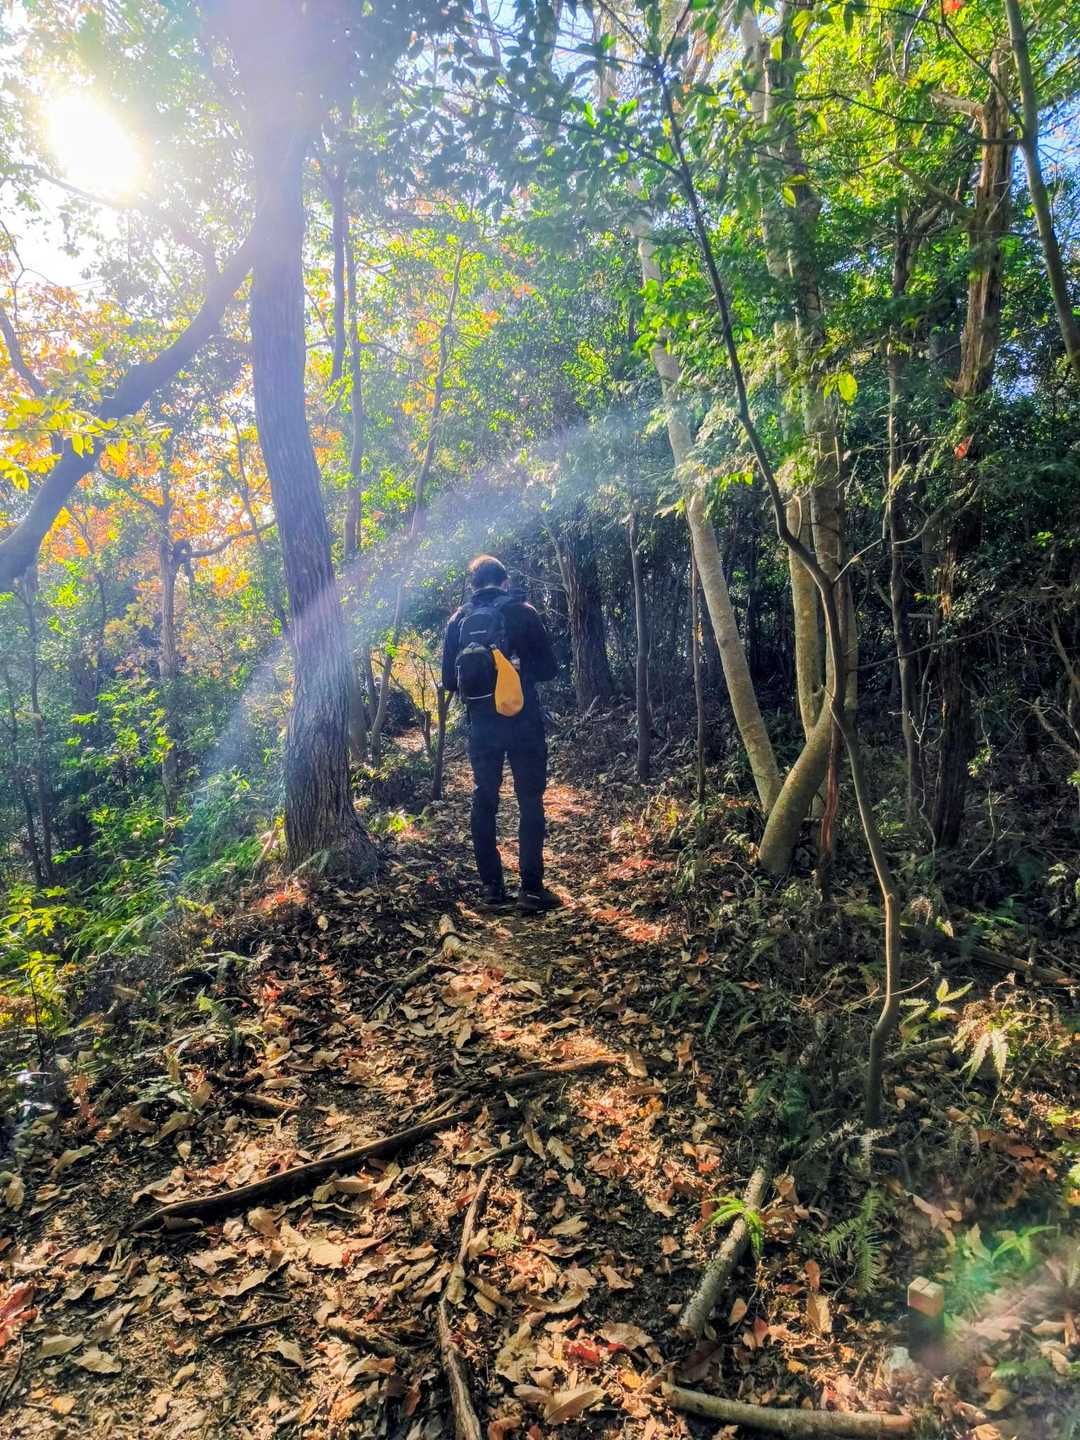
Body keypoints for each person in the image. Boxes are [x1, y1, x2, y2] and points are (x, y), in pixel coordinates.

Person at [442, 555, 559, 913]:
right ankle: (532, 890)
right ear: (505, 582)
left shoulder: (457, 620)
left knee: (484, 798)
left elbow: (449, 681)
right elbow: (549, 669)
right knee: (530, 800)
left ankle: (491, 889)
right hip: (523, 720)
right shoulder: (523, 611)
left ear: (473, 585)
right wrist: (519, 668)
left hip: (481, 724)